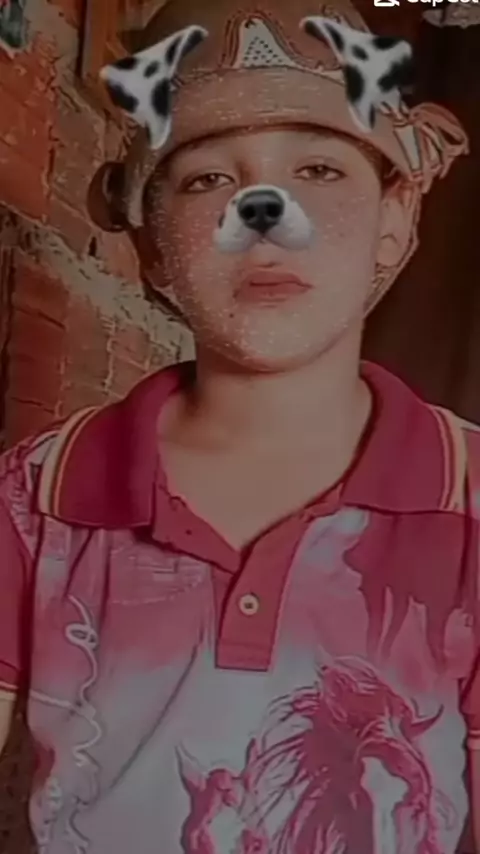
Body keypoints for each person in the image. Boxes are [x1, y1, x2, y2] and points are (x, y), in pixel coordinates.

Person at [0, 0, 478, 851]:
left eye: (319, 169)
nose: (265, 209)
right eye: (207, 180)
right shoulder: (34, 496)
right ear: (152, 244)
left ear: (395, 219)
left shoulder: (472, 500)